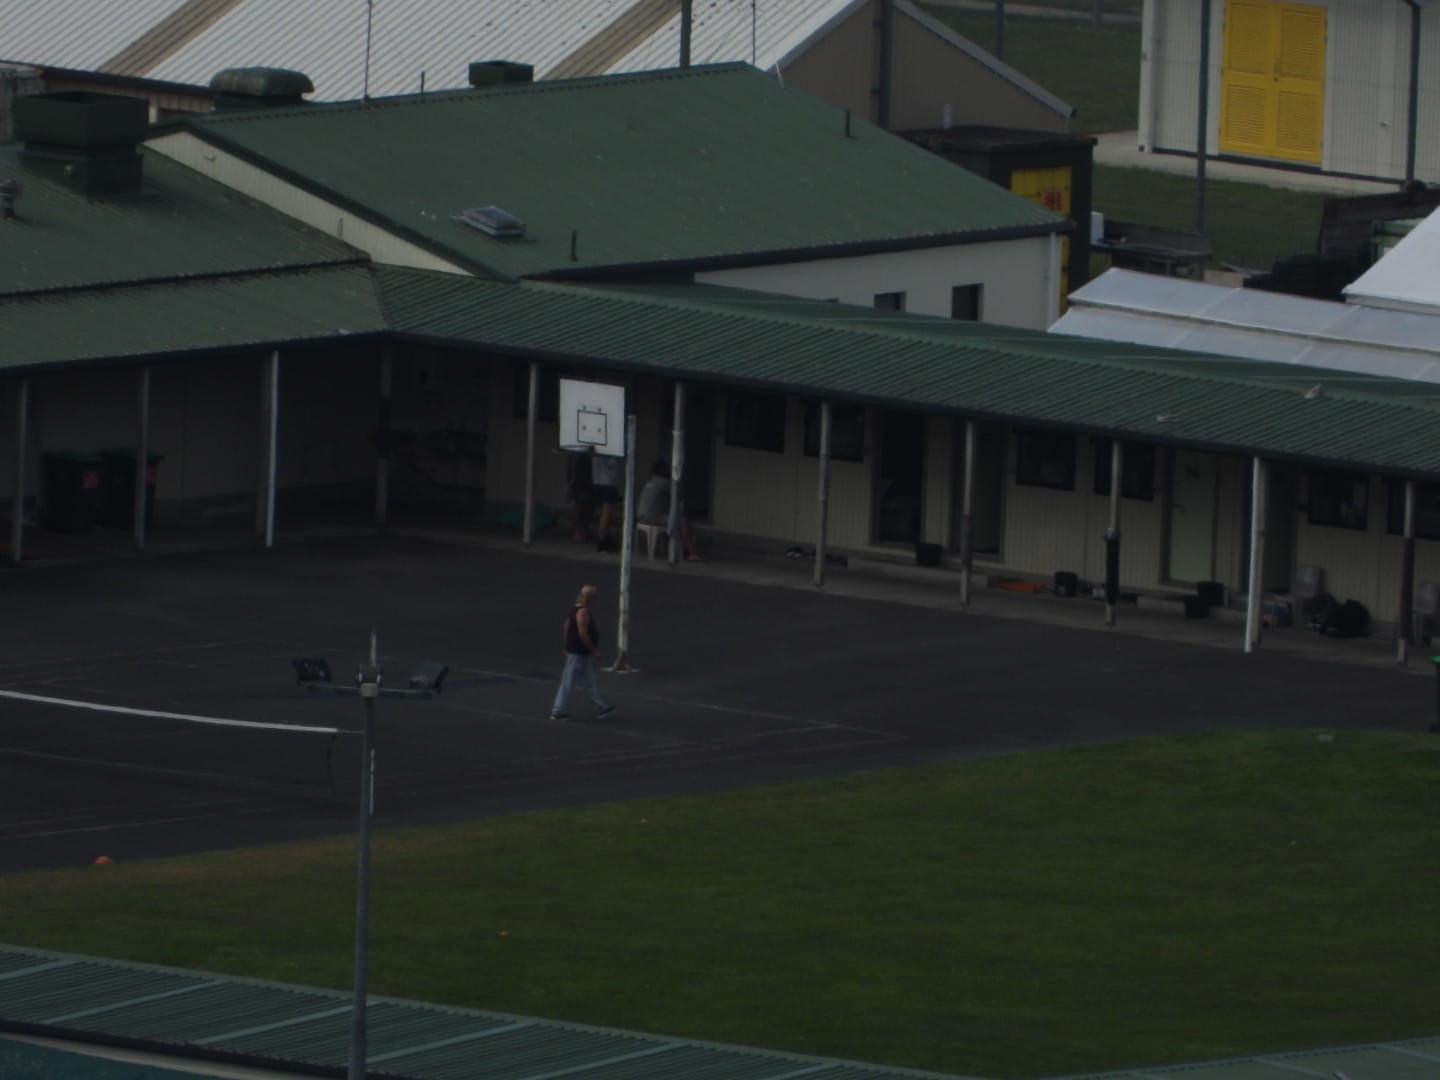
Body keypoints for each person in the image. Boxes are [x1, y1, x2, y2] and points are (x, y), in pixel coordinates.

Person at [549, 584, 615, 721]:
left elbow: (567, 626)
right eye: (594, 597)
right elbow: (582, 632)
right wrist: (594, 650)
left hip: (579, 653)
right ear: (589, 598)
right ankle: (558, 710)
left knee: (589, 682)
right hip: (578, 653)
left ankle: (601, 708)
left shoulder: (575, 610)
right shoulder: (583, 612)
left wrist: (565, 645)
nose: (595, 600)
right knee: (568, 682)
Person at [636, 462, 703, 560]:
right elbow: (678, 494)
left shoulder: (650, 482)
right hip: (652, 517)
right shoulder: (663, 482)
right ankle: (691, 551)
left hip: (641, 516)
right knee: (682, 520)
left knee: (674, 519)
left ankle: (681, 548)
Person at [590, 453, 624, 552]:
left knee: (603, 511)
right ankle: (602, 540)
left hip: (598, 479)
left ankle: (605, 536)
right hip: (609, 480)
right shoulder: (611, 447)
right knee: (607, 511)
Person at [565, 448, 597, 543]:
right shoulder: (577, 453)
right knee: (579, 506)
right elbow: (573, 467)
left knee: (589, 505)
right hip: (580, 480)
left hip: (589, 480)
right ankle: (577, 531)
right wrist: (571, 483)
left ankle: (583, 530)